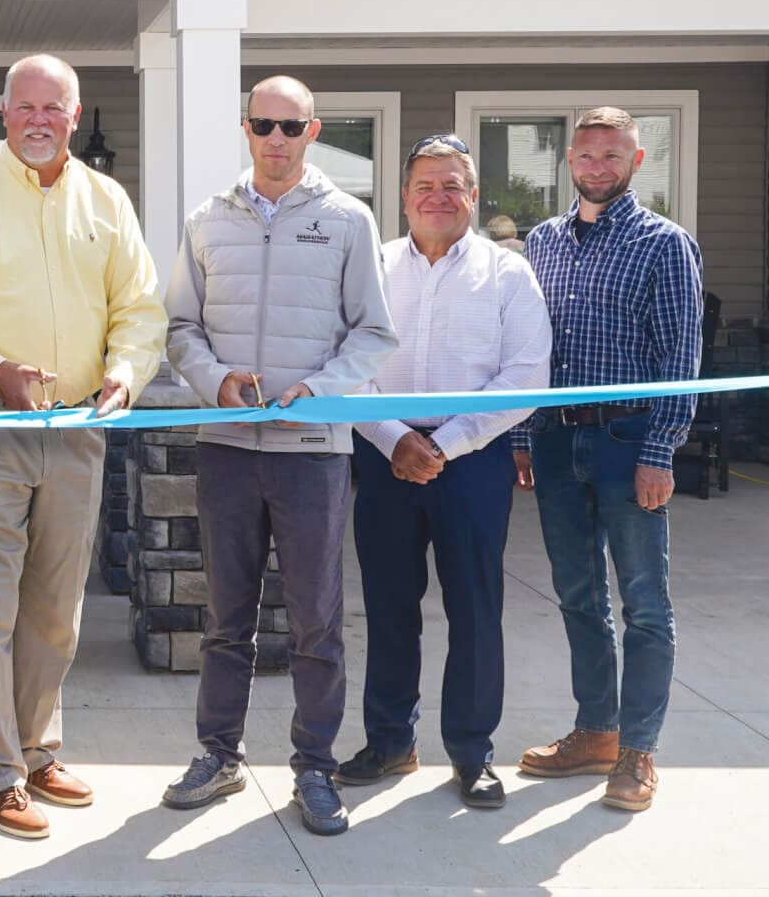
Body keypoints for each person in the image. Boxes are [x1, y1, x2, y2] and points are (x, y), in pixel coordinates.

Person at [0, 56, 165, 839]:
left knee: (56, 608)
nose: (39, 120)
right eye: (25, 108)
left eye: (54, 107)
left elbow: (140, 309)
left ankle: (38, 747)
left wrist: (124, 377)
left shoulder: (107, 199)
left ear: (74, 116)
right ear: (4, 114)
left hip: (78, 426)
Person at [162, 75, 396, 837]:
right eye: (263, 124)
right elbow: (179, 328)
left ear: (313, 131)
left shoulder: (348, 220)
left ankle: (316, 769)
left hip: (312, 453)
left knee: (314, 622)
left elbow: (373, 332)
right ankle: (218, 754)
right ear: (245, 128)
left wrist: (318, 390)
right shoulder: (207, 221)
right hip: (228, 448)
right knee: (226, 619)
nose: (275, 138)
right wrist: (214, 379)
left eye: (290, 126)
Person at [339, 135, 551, 810]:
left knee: (474, 608)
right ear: (404, 197)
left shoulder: (508, 273)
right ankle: (390, 740)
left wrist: (447, 444)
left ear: (474, 196)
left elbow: (524, 378)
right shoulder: (371, 266)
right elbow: (346, 364)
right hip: (383, 457)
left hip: (475, 461)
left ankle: (471, 751)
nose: (438, 195)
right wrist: (395, 438)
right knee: (390, 606)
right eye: (425, 184)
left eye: (452, 184)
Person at [512, 106, 702, 814]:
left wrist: (661, 450)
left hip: (630, 444)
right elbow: (534, 349)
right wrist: (524, 436)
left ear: (636, 160)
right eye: (586, 156)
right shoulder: (543, 242)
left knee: (645, 604)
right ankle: (596, 730)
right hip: (557, 441)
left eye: (611, 155)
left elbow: (681, 359)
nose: (598, 167)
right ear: (569, 162)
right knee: (578, 596)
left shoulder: (664, 244)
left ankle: (639, 751)